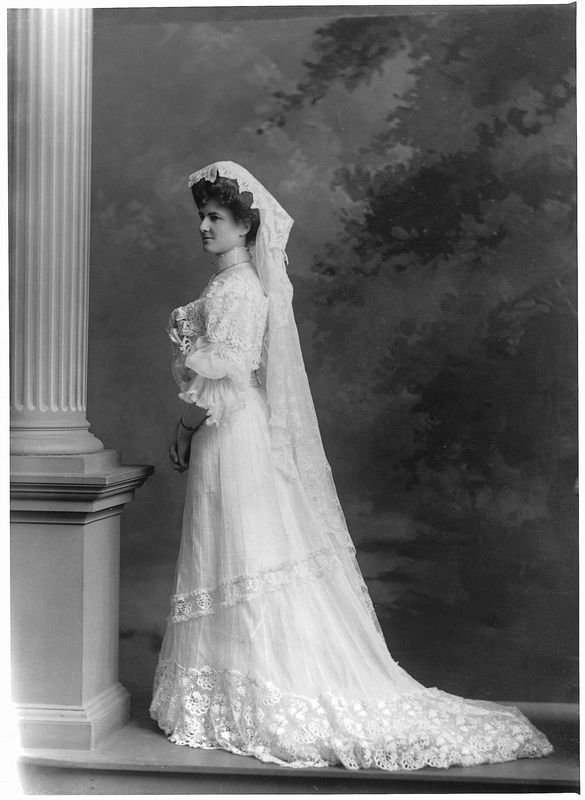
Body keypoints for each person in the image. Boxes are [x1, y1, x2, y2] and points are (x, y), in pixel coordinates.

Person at [149, 161, 554, 771]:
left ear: (244, 229)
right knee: (234, 558)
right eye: (201, 217)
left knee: (239, 559)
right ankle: (227, 695)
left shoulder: (237, 290)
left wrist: (182, 426)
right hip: (230, 433)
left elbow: (224, 373)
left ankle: (252, 694)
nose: (204, 227)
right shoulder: (234, 287)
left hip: (231, 432)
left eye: (216, 218)